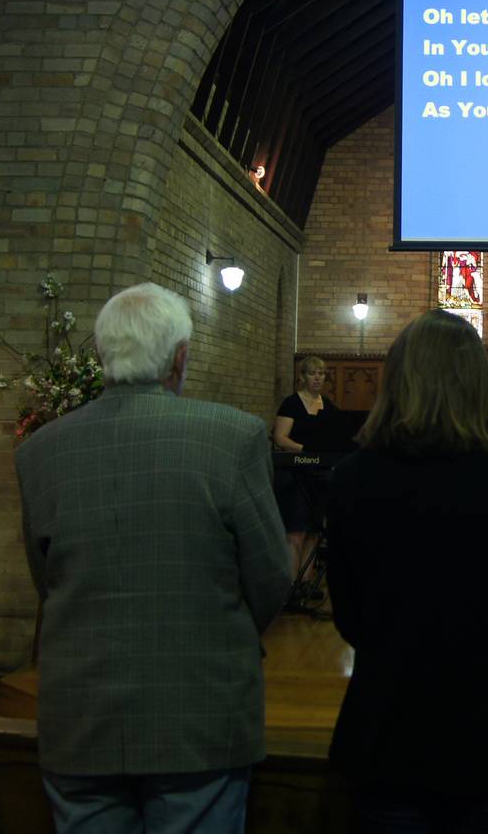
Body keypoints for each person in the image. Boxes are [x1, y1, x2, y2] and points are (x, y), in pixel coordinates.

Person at [15, 283, 291, 834]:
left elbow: (48, 579)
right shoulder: (232, 438)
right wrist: (218, 634)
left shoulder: (40, 450)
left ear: (101, 354)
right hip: (199, 710)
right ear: (181, 357)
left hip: (81, 714)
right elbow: (271, 576)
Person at [327, 310, 488, 833]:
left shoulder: (353, 479)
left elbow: (349, 616)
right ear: (476, 382)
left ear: (397, 378)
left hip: (391, 728)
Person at [272, 355, 334, 582]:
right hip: (294, 474)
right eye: (312, 373)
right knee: (296, 531)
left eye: (321, 374)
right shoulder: (291, 403)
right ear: (302, 377)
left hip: (319, 474)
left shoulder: (329, 406)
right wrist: (305, 449)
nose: (318, 378)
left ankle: (306, 583)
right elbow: (280, 438)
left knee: (314, 531)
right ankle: (290, 587)